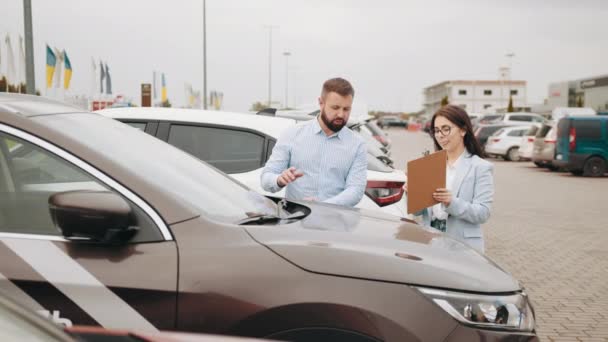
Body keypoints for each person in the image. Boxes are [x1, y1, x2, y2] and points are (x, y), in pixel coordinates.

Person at [260, 77, 367, 207]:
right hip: (295, 221)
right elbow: (266, 179)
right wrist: (279, 180)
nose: (340, 114)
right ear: (321, 103)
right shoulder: (292, 134)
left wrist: (322, 206)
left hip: (335, 222)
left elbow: (355, 190)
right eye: (335, 107)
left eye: (346, 109)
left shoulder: (357, 144)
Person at [405, 105, 494, 252]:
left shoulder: (480, 167)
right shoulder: (429, 164)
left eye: (446, 129)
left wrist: (451, 202)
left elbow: (483, 213)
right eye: (436, 131)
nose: (440, 135)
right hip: (431, 243)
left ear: (463, 130)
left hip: (464, 247)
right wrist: (413, 192)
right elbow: (418, 213)